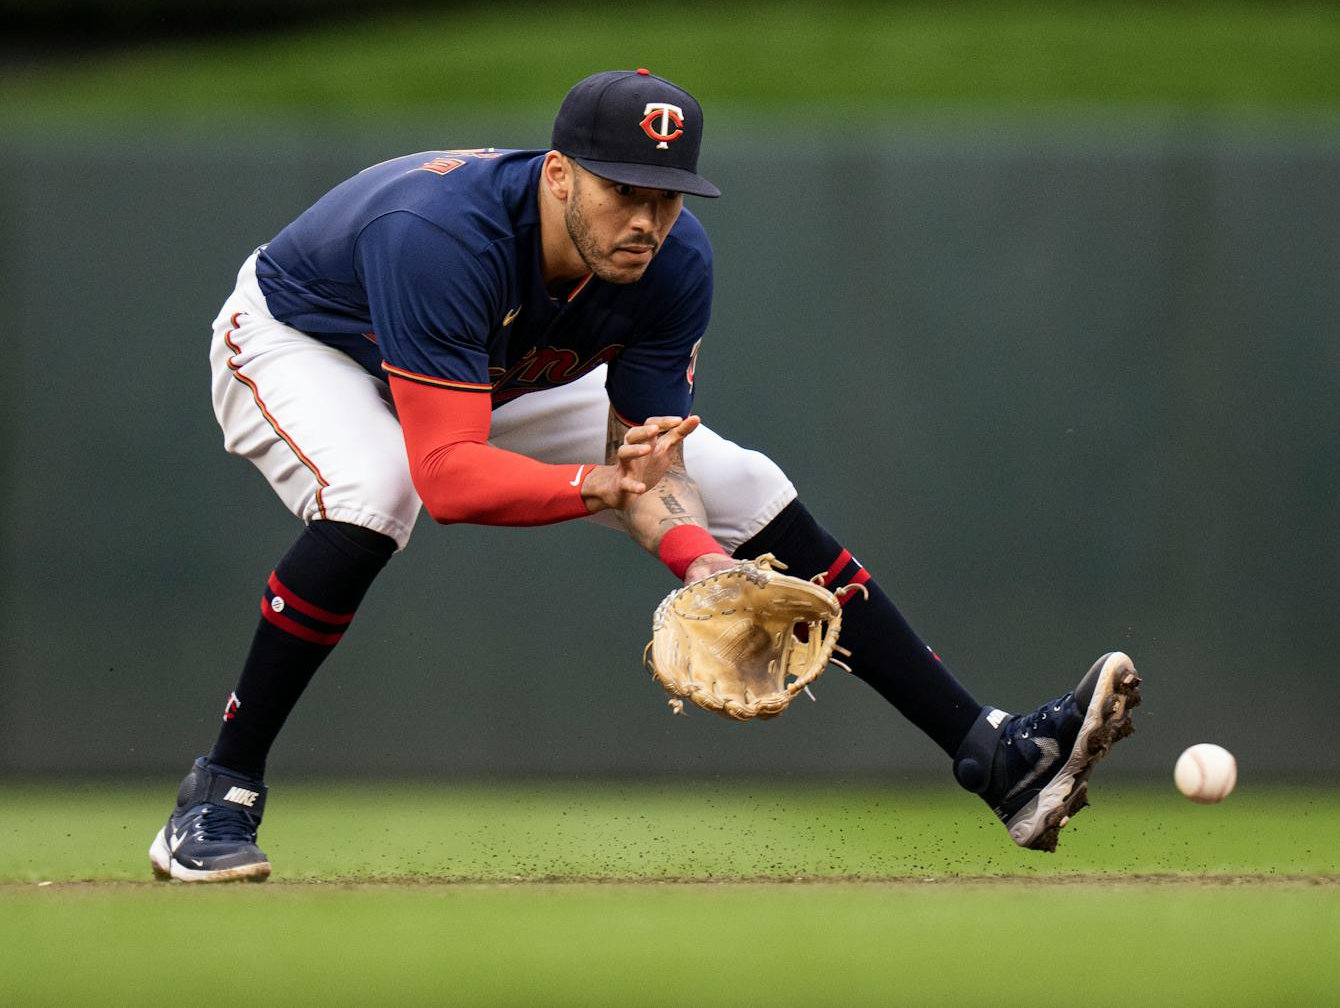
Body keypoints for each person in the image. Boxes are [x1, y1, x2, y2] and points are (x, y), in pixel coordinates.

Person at [149, 69, 1141, 883]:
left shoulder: (670, 264)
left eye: (666, 195)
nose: (647, 219)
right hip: (309, 342)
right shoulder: (442, 237)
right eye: (622, 189)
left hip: (490, 372)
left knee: (740, 483)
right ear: (556, 176)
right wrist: (601, 489)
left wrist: (702, 561)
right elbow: (450, 477)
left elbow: (646, 463)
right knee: (379, 492)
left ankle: (995, 756)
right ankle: (218, 792)